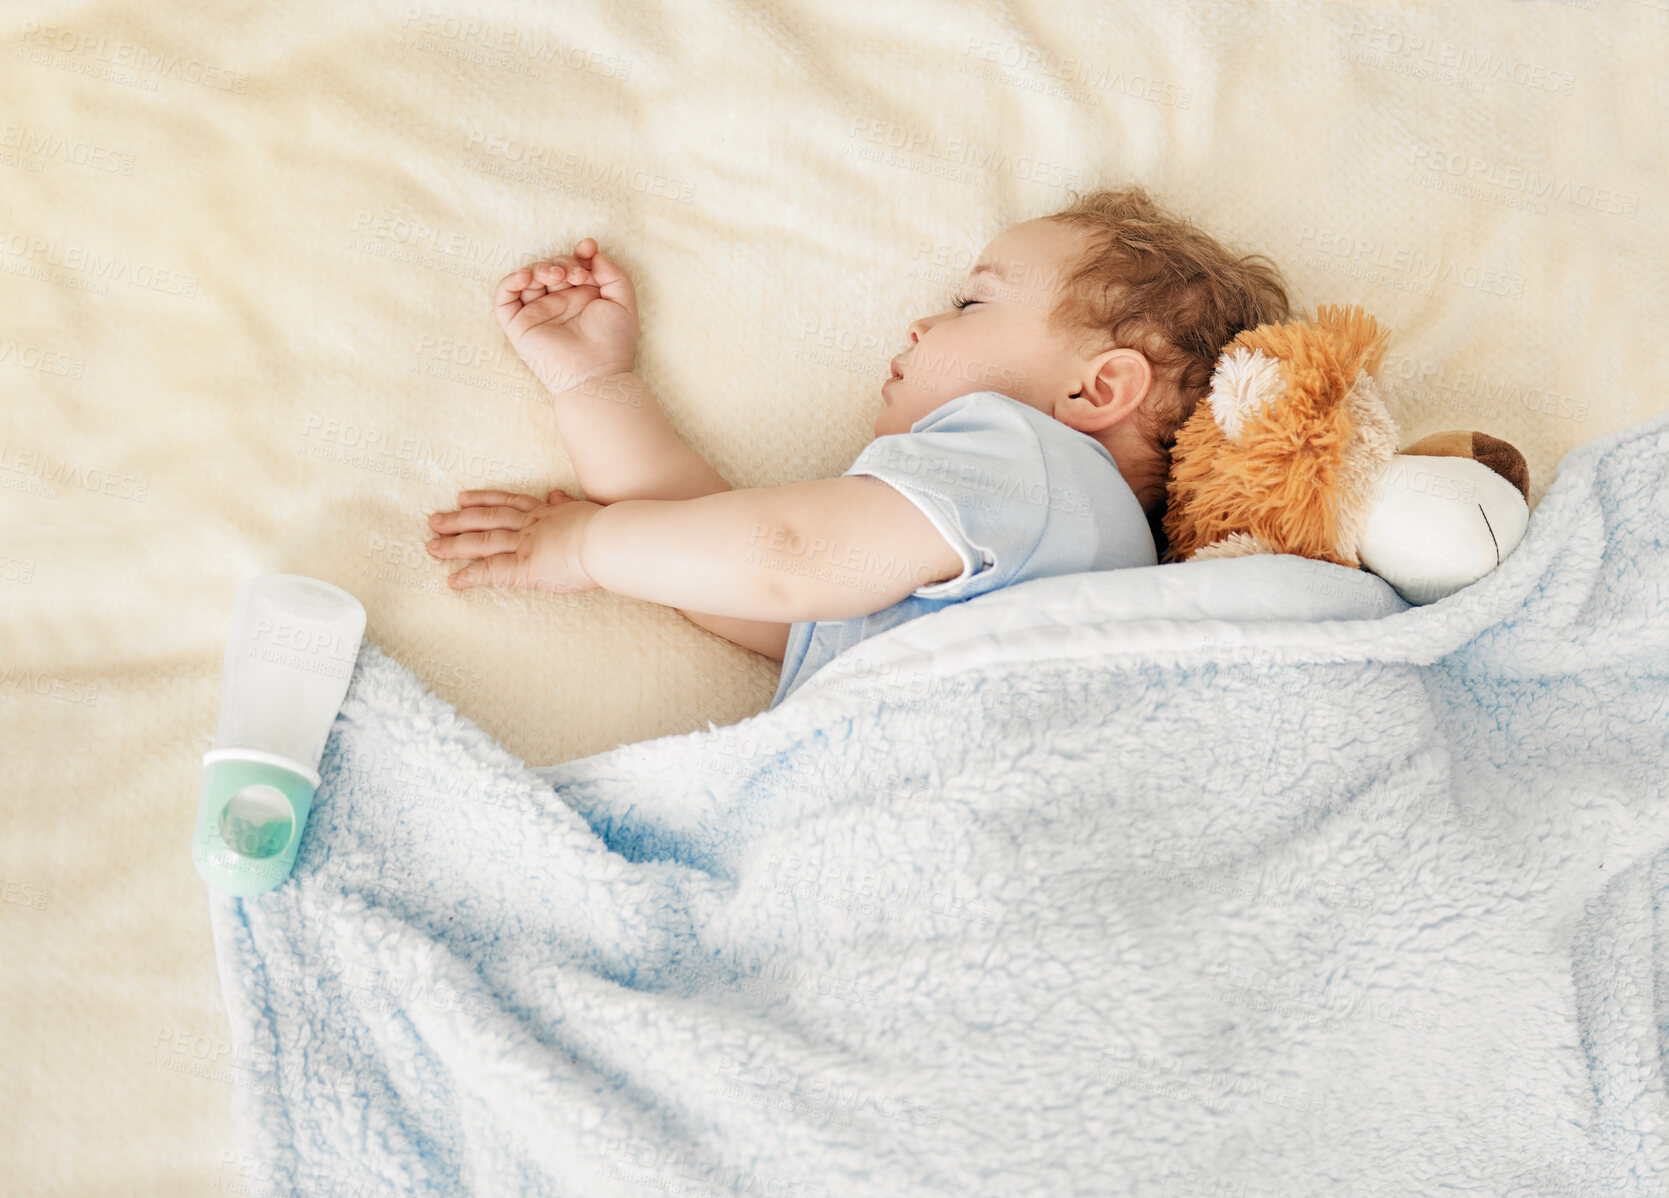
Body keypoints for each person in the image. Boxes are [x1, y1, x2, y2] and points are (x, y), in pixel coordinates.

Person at [424, 186, 1290, 709]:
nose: (921, 320)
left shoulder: (1029, 460)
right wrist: (595, 384)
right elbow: (739, 571)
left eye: (971, 306)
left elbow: (781, 556)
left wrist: (582, 546)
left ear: (1096, 391)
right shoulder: (1039, 555)